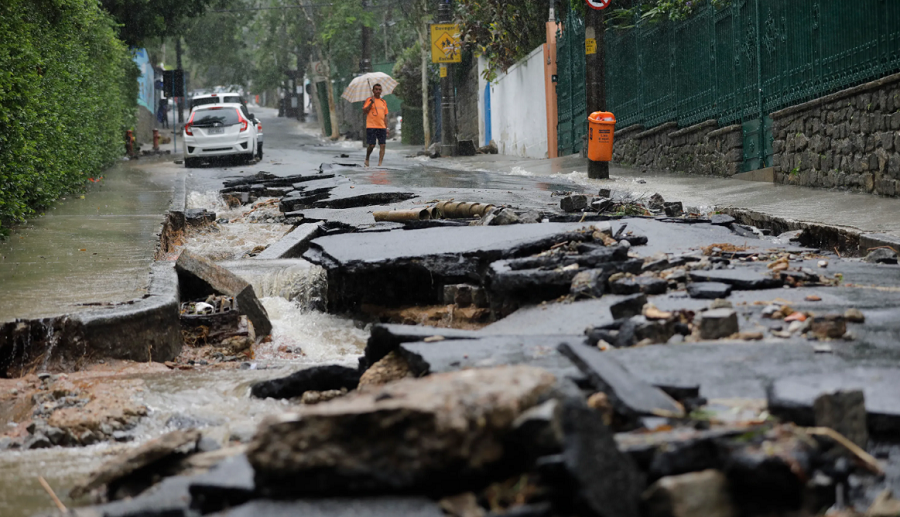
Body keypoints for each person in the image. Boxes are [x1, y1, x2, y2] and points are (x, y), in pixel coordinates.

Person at [363, 83, 388, 167]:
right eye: (376, 89)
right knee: (372, 145)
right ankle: (367, 158)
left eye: (379, 89)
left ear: (381, 91)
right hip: (371, 126)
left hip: (382, 126)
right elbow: (364, 111)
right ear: (373, 91)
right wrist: (371, 104)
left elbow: (385, 116)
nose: (378, 91)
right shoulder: (369, 100)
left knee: (383, 145)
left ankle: (380, 163)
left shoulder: (383, 102)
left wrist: (386, 128)